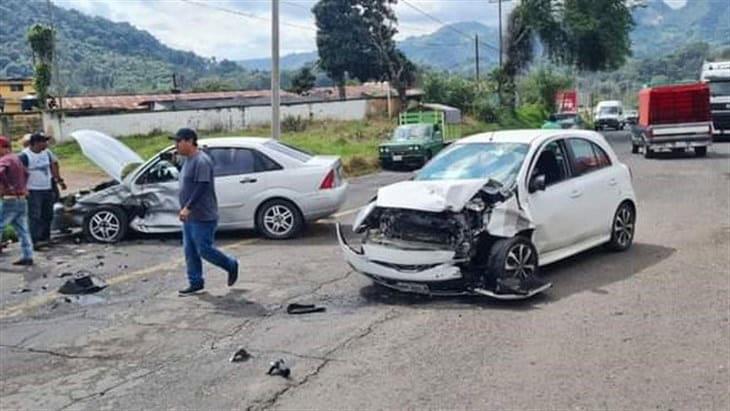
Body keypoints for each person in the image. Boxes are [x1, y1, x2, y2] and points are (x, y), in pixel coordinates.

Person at [172, 128, 238, 295]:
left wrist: (188, 207)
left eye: (178, 141)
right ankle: (195, 282)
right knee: (190, 251)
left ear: (188, 141)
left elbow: (202, 186)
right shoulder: (188, 160)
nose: (176, 145)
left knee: (204, 249)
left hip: (202, 215)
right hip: (190, 217)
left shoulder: (201, 161)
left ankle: (231, 264)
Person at [19, 132, 66, 249]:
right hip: (33, 190)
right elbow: (21, 174)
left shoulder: (47, 153)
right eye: (43, 141)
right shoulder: (25, 156)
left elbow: (53, 165)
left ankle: (45, 237)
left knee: (48, 214)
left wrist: (58, 180)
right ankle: (35, 241)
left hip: (47, 188)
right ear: (35, 143)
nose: (46, 144)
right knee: (35, 216)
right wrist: (23, 189)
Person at [0, 136, 34, 265]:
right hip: (21, 198)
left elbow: (0, 172)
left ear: (3, 147)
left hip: (10, 199)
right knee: (23, 229)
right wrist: (23, 187)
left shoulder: (5, 159)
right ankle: (28, 256)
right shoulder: (16, 158)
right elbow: (27, 173)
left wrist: (8, 186)